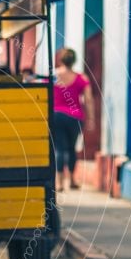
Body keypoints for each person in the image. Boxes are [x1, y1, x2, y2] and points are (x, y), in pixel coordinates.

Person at [53, 47, 94, 192]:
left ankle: (58, 182)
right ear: (74, 60)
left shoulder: (54, 76)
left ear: (61, 60)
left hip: (56, 116)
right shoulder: (81, 78)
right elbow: (88, 99)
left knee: (59, 148)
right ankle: (71, 180)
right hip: (75, 117)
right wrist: (91, 119)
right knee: (71, 148)